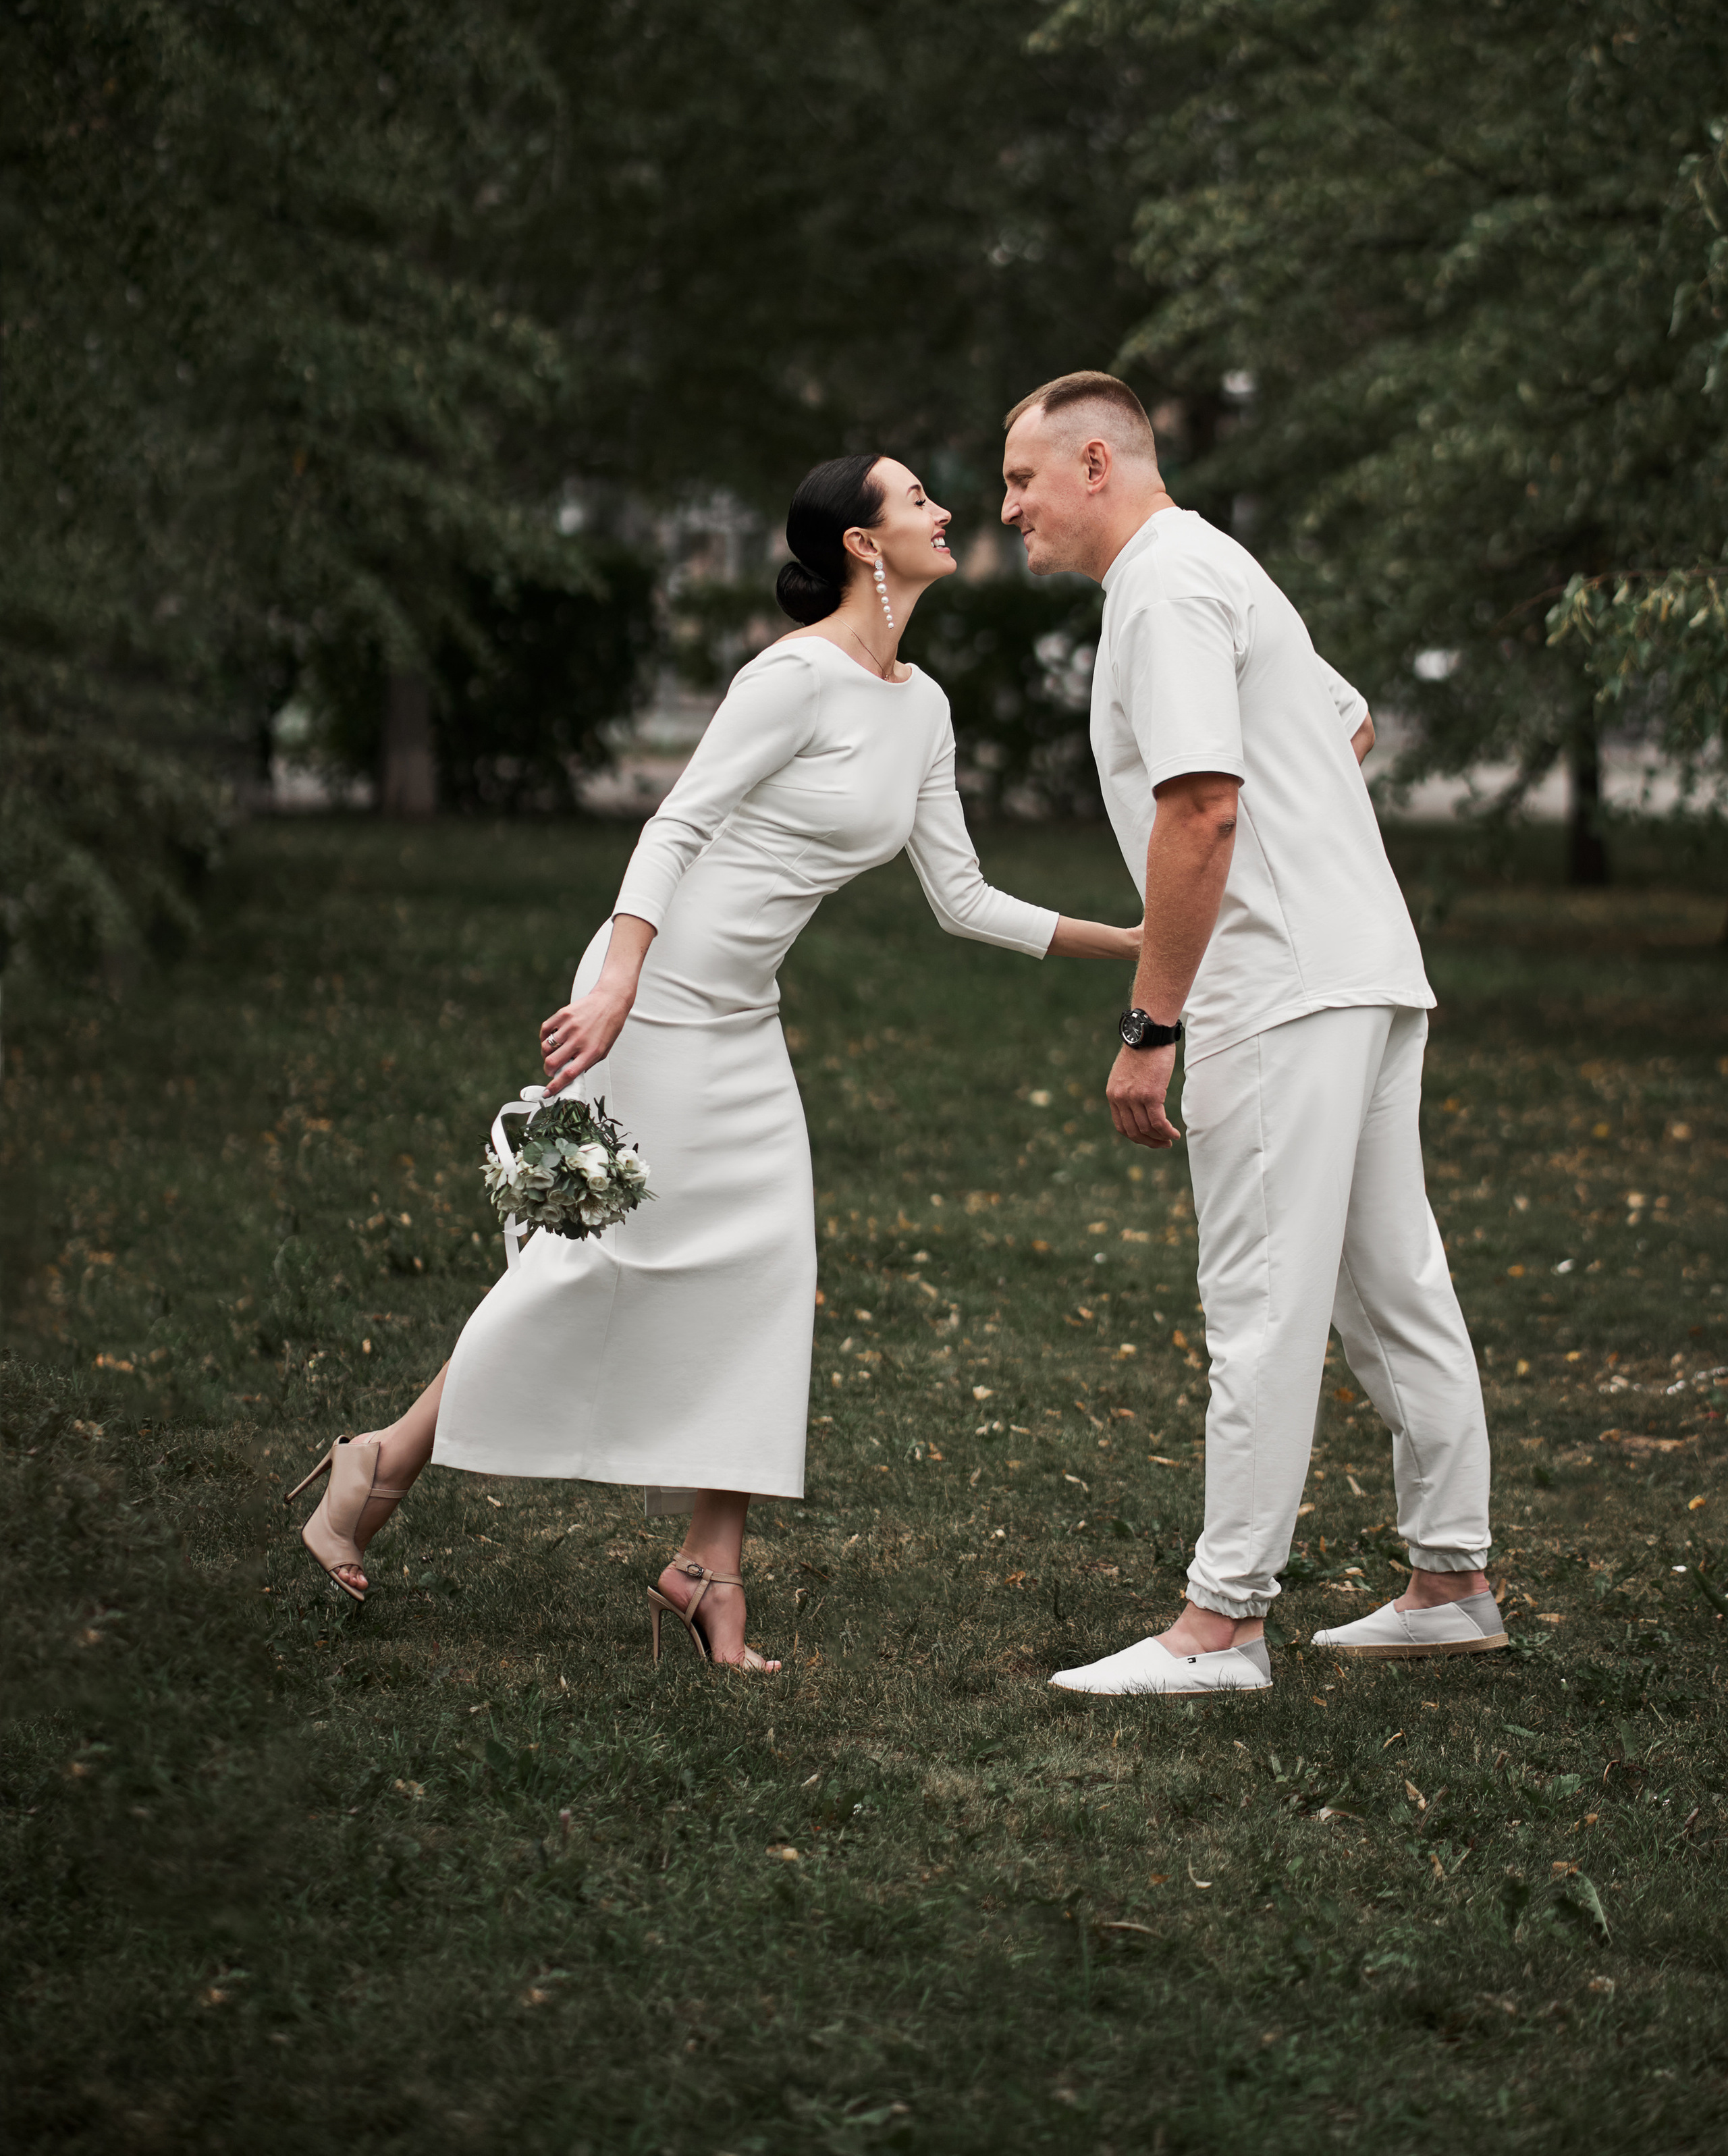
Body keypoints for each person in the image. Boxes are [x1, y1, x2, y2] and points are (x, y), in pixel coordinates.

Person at [287, 452, 1139, 1668]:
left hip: (739, 1014)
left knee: (764, 1275)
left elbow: (960, 897)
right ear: (860, 540)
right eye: (917, 500)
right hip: (655, 990)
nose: (948, 512)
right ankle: (378, 1464)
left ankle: (704, 1574)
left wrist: (1132, 941)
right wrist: (620, 982)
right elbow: (675, 822)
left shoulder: (924, 706)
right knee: (589, 1263)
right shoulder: (791, 677)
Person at [998, 372, 1501, 1696]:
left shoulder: (1161, 587)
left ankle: (1220, 1625)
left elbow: (1203, 809)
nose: (1007, 511)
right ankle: (1449, 1583)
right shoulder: (1211, 563)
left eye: (1019, 482)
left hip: (1277, 990)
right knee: (1390, 1287)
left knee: (1261, 1307)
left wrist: (1151, 1020)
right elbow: (1345, 721)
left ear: (1093, 462)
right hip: (1361, 968)